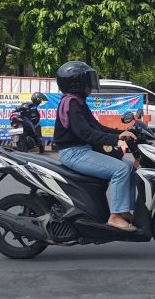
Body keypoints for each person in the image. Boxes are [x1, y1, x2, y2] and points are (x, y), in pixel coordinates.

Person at [53, 61, 138, 232]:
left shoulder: (78, 102)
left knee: (130, 167)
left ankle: (124, 211)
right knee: (120, 170)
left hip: (83, 150)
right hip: (74, 153)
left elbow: (96, 127)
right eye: (87, 80)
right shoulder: (72, 104)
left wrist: (122, 132)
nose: (91, 84)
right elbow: (85, 133)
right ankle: (115, 216)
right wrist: (116, 138)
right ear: (76, 83)